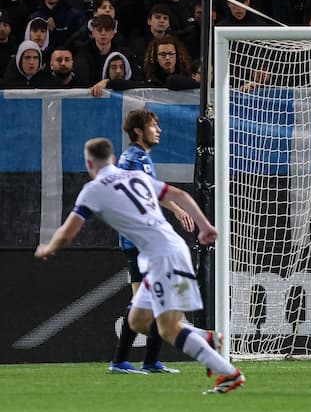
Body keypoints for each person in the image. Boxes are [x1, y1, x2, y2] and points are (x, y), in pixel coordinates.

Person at [34, 137, 245, 394]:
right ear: (112, 159)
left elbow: (68, 233)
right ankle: (204, 339)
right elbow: (179, 194)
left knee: (168, 328)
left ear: (89, 164)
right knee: (137, 319)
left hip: (163, 256)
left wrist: (48, 248)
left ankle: (229, 373)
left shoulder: (94, 189)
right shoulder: (135, 177)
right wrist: (205, 226)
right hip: (164, 252)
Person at [107, 108, 195, 374]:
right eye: (154, 126)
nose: (159, 130)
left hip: (136, 239)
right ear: (138, 131)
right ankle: (128, 360)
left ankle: (142, 360)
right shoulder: (136, 159)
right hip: (141, 241)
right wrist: (178, 210)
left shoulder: (135, 157)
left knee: (149, 300)